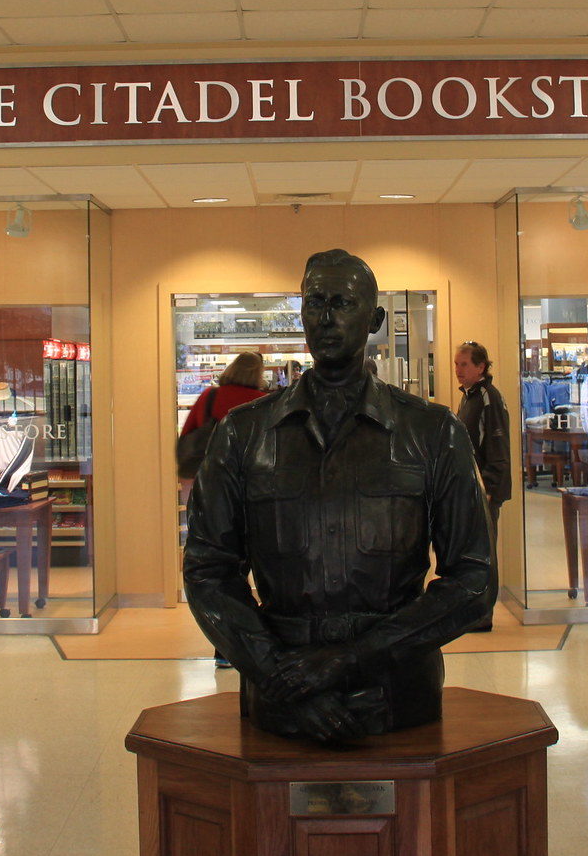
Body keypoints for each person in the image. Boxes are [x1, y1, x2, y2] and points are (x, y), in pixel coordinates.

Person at [184, 249, 495, 742]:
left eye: (344, 303)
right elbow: (207, 570)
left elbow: (475, 580)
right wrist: (280, 677)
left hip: (398, 695)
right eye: (314, 303)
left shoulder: (434, 432)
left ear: (374, 319)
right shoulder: (243, 433)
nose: (326, 319)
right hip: (278, 698)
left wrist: (350, 660)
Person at [179, 351, 268, 668]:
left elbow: (187, 440)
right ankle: (262, 643)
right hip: (256, 495)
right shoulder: (264, 402)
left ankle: (225, 648)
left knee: (222, 573)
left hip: (215, 497)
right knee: (258, 566)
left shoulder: (209, 398)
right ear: (258, 374)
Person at [453, 342, 512, 534]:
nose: (458, 370)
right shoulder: (468, 397)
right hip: (469, 488)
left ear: (481, 367)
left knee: (483, 550)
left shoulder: (490, 398)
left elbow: (498, 445)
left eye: (464, 364)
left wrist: (488, 488)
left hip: (484, 491)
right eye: (456, 364)